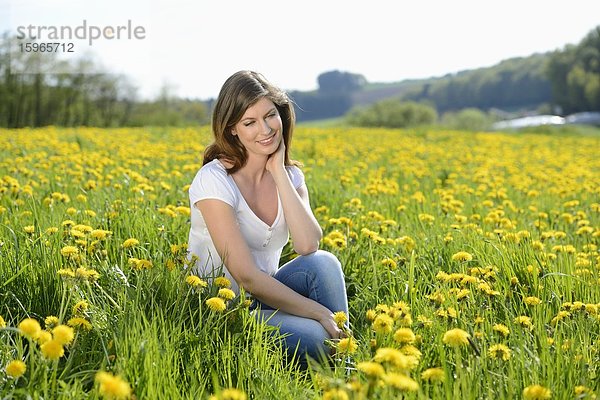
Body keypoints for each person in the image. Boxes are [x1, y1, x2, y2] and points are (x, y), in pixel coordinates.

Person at [187, 70, 349, 366]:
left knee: (324, 262)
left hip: (266, 295)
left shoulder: (290, 175)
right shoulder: (214, 180)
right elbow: (246, 276)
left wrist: (278, 173)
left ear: (281, 115)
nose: (265, 130)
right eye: (250, 122)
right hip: (220, 307)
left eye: (270, 116)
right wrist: (317, 311)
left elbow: (307, 245)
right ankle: (338, 358)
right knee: (315, 336)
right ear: (232, 129)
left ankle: (346, 369)